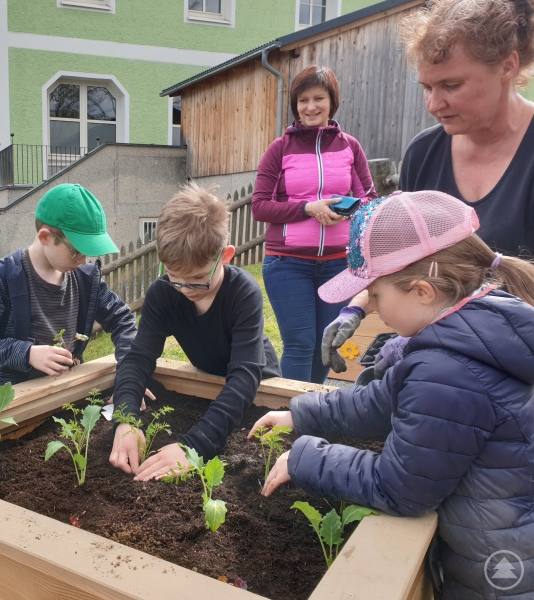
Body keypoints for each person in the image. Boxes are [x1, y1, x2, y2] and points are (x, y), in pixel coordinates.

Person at [251, 191, 534, 599]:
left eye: (376, 296)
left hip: (495, 569)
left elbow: (400, 488)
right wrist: (302, 414)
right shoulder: (471, 328)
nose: (373, 309)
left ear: (422, 291)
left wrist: (306, 457)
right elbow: (380, 401)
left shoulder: (447, 370)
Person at [322, 0, 534, 372]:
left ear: (507, 66)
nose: (435, 103)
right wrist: (358, 307)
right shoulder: (424, 152)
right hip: (447, 372)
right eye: (427, 87)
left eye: (452, 84)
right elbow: (402, 264)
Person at [110, 183, 281, 480]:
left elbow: (243, 378)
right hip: (208, 380)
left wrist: (194, 446)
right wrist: (125, 420)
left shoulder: (243, 294)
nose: (186, 289)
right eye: (175, 278)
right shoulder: (163, 294)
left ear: (225, 256)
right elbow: (138, 358)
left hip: (258, 388)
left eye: (198, 279)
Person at [251, 64, 376, 384]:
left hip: (338, 264)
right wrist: (308, 208)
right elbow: (260, 206)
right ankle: (287, 418)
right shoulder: (279, 149)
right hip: (288, 264)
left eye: (318, 98)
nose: (310, 107)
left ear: (332, 101)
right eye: (303, 100)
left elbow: (370, 201)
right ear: (295, 105)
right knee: (299, 343)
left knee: (326, 342)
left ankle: (309, 410)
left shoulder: (350, 146)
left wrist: (343, 211)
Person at [0, 183, 141, 396]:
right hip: (9, 406)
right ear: (45, 237)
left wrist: (130, 375)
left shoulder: (86, 279)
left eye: (89, 253)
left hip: (66, 395)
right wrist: (27, 354)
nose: (84, 261)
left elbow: (122, 320)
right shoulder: (0, 278)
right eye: (77, 252)